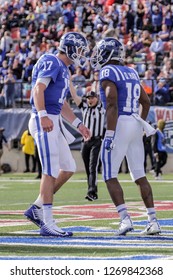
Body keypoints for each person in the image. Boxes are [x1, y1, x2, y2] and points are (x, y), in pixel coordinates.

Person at [91, 37, 161, 236]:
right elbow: (145, 102)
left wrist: (111, 133)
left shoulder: (107, 71)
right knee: (139, 175)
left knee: (109, 174)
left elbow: (111, 101)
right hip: (134, 121)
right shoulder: (131, 71)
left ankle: (125, 219)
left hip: (119, 122)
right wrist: (139, 123)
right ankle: (152, 220)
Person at [24, 32, 91, 237]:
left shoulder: (63, 69)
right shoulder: (51, 61)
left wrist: (78, 124)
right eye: (79, 50)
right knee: (50, 168)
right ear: (69, 48)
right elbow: (38, 89)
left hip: (53, 119)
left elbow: (61, 103)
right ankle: (48, 221)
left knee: (68, 167)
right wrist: (43, 115)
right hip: (43, 119)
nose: (80, 54)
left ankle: (36, 208)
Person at [70, 81, 106, 201]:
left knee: (92, 167)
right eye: (88, 98)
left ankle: (92, 192)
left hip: (97, 141)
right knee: (87, 168)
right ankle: (92, 189)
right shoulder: (84, 107)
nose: (90, 100)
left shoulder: (101, 108)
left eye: (92, 98)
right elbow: (75, 96)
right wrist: (69, 83)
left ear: (97, 98)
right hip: (85, 142)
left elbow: (104, 96)